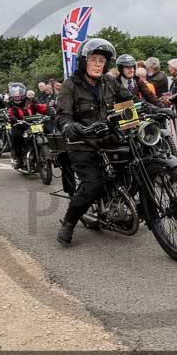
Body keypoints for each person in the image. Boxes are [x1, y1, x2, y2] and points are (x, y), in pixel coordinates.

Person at [54, 38, 134, 246]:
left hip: (109, 138)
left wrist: (152, 110)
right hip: (83, 142)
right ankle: (70, 222)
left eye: (102, 61)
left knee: (134, 161)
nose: (98, 64)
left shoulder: (109, 82)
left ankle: (126, 203)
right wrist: (71, 127)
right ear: (83, 61)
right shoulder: (70, 85)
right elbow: (63, 116)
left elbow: (128, 102)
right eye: (94, 59)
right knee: (92, 185)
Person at [7, 83, 52, 169]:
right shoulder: (10, 103)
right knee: (16, 136)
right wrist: (11, 118)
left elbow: (40, 107)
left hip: (33, 123)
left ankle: (53, 153)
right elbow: (9, 112)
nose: (17, 97)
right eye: (15, 96)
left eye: (19, 96)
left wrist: (49, 110)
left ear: (23, 94)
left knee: (47, 131)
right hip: (19, 124)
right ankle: (19, 159)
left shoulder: (30, 101)